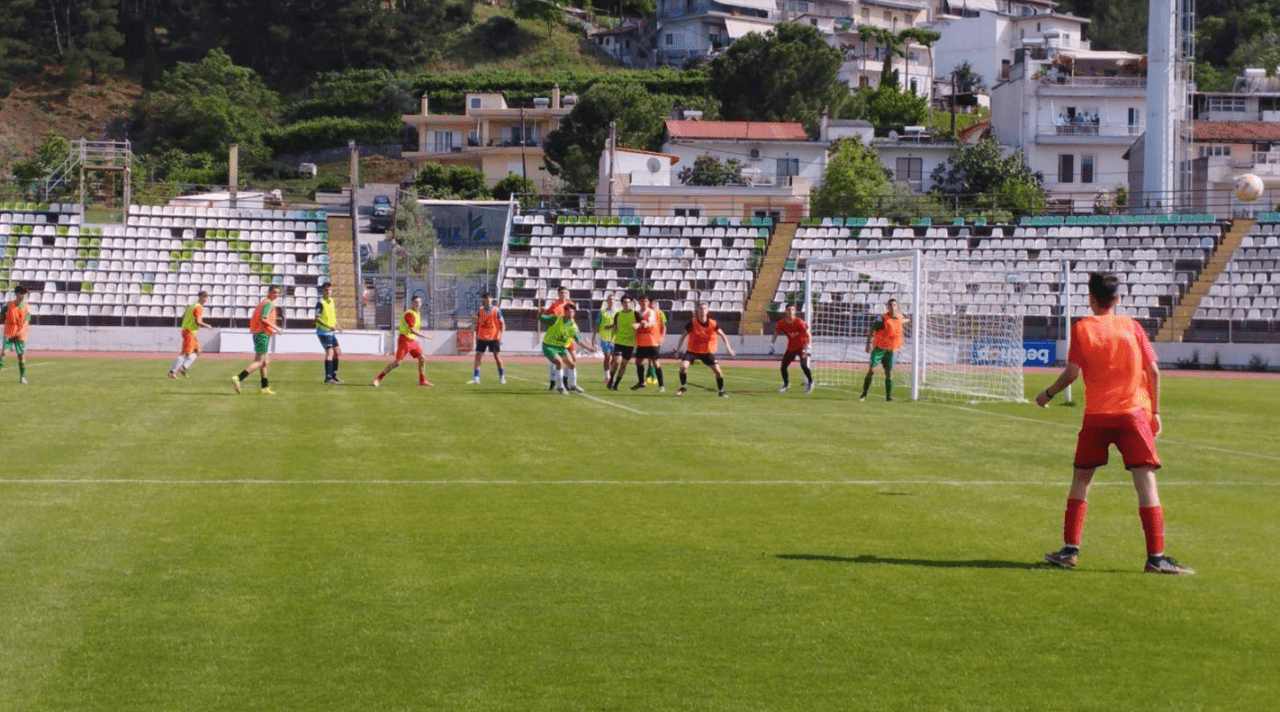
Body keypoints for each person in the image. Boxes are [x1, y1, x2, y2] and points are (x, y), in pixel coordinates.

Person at [1036, 272, 1193, 575]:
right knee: (1145, 482)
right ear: (1117, 299)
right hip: (1133, 414)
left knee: (1081, 479)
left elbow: (1072, 372)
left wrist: (1048, 393)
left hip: (1096, 415)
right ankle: (1156, 557)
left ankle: (1069, 550)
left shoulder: (1081, 328)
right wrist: (1156, 412)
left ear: (1091, 299)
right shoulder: (1131, 326)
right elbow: (1155, 372)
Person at [674, 302, 735, 397]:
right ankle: (683, 386)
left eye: (704, 308)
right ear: (697, 310)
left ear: (707, 311)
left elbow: (723, 335)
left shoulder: (713, 323)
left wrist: (728, 348)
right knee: (683, 367)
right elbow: (683, 336)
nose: (702, 310)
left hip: (706, 352)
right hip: (692, 350)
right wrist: (677, 351)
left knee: (718, 372)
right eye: (701, 308)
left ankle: (721, 391)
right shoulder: (692, 322)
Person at [232, 285, 283, 395]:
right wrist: (275, 327)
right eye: (274, 292)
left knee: (265, 362)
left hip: (259, 333)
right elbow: (264, 318)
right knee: (259, 362)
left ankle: (264, 387)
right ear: (269, 292)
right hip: (262, 334)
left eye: (278, 293)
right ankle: (238, 378)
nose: (276, 295)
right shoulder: (269, 303)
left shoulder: (263, 302)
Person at [373, 295, 433, 387]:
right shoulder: (409, 313)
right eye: (416, 302)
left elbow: (413, 331)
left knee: (422, 358)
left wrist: (417, 340)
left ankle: (422, 380)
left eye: (419, 302)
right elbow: (412, 329)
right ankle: (378, 378)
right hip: (404, 340)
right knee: (397, 363)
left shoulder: (417, 313)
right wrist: (425, 336)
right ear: (412, 303)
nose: (418, 304)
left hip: (412, 340)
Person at [861, 298, 910, 401]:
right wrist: (867, 344)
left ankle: (888, 396)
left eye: (894, 305)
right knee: (871, 370)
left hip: (889, 350)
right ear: (887, 307)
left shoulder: (899, 318)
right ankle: (864, 393)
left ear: (897, 307)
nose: (892, 307)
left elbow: (903, 321)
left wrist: (912, 320)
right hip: (879, 349)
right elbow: (871, 329)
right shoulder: (882, 318)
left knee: (888, 373)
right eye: (890, 305)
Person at [539, 300, 594, 393]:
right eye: (568, 311)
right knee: (559, 362)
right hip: (548, 345)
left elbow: (578, 340)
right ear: (565, 312)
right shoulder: (556, 319)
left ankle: (573, 385)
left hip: (561, 347)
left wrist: (588, 347)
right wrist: (540, 312)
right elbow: (541, 318)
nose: (571, 313)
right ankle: (560, 387)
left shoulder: (572, 325)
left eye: (572, 312)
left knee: (571, 364)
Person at [771, 303, 814, 393]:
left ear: (795, 311)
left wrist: (808, 347)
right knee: (783, 367)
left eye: (792, 309)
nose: (791, 311)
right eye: (789, 309)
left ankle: (810, 381)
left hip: (802, 347)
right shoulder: (782, 323)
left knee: (803, 365)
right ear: (785, 311)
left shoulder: (799, 322)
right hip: (791, 348)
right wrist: (771, 345)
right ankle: (785, 385)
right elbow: (775, 333)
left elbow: (808, 335)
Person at [168, 291, 211, 378]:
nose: (205, 299)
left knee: (197, 350)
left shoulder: (193, 305)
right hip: (189, 331)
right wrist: (207, 326)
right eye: (204, 297)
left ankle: (183, 367)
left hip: (189, 330)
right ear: (200, 297)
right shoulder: (198, 307)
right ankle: (172, 371)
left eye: (206, 297)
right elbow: (198, 322)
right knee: (184, 353)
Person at [467, 292, 506, 384]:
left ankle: (502, 377)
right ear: (483, 300)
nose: (488, 299)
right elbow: (478, 323)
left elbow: (502, 323)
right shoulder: (480, 310)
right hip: (481, 337)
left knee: (496, 357)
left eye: (489, 298)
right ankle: (476, 378)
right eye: (486, 298)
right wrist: (475, 333)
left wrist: (501, 335)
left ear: (492, 299)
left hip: (493, 337)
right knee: (478, 357)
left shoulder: (496, 310)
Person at [631, 296, 665, 391]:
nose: (644, 303)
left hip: (651, 341)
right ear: (639, 302)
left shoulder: (651, 312)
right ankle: (641, 382)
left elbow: (649, 322)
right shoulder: (636, 312)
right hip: (641, 341)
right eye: (642, 301)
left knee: (655, 362)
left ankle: (661, 385)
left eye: (645, 301)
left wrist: (641, 324)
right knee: (638, 362)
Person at [545, 286, 575, 390]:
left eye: (565, 293)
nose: (563, 295)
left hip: (567, 335)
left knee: (570, 359)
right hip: (556, 336)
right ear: (558, 294)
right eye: (561, 293)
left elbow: (572, 318)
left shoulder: (570, 304)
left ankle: (565, 380)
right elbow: (548, 317)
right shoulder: (554, 304)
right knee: (555, 360)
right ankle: (552, 381)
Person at [606, 295, 639, 391]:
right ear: (622, 304)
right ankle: (611, 380)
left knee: (624, 364)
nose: (627, 304)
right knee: (617, 361)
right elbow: (615, 328)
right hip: (619, 342)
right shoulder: (618, 314)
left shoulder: (635, 314)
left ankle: (616, 384)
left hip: (630, 343)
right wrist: (612, 338)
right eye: (625, 302)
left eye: (628, 302)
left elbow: (641, 324)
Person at [0, 285, 31, 384]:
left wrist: (21, 331)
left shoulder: (26, 306)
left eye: (24, 294)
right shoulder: (8, 305)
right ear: (17, 294)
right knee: (4, 353)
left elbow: (27, 320)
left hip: (19, 335)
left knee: (21, 356)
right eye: (22, 293)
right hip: (9, 333)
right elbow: (2, 316)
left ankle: (22, 377)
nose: (23, 296)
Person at [315, 282, 343, 384]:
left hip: (330, 331)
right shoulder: (320, 302)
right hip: (324, 331)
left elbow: (332, 316)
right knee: (330, 353)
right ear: (322, 291)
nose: (328, 292)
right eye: (326, 290)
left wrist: (337, 325)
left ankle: (333, 375)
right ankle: (328, 377)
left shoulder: (331, 301)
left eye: (330, 290)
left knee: (337, 352)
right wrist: (328, 326)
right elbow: (317, 318)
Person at [593, 293, 618, 385]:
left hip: (615, 338)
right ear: (607, 301)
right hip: (604, 337)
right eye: (609, 299)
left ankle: (611, 375)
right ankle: (607, 376)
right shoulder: (602, 312)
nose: (611, 301)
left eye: (613, 300)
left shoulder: (617, 312)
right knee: (607, 356)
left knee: (615, 359)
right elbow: (596, 325)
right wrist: (594, 337)